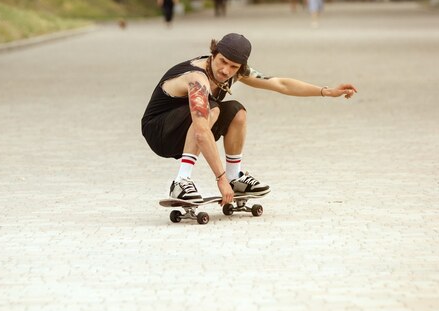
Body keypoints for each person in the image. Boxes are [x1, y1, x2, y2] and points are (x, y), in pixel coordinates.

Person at [141, 33, 358, 206]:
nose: (226, 70)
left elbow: (280, 84)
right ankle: (181, 181)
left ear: (241, 67)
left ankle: (236, 179)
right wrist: (220, 178)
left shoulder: (236, 72)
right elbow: (200, 130)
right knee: (213, 109)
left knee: (237, 111)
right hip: (160, 132)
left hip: (191, 128)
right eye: (222, 62)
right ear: (213, 53)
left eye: (234, 67)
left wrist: (326, 92)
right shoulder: (197, 78)